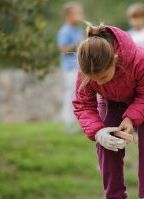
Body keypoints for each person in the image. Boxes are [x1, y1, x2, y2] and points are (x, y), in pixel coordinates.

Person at [73, 23, 144, 199]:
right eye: (95, 80)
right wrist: (98, 132)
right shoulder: (87, 71)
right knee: (107, 142)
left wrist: (131, 117)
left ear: (115, 59)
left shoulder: (141, 60)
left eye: (104, 76)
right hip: (111, 101)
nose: (101, 83)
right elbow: (83, 104)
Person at [57, 2, 83, 133]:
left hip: (79, 68)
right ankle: (68, 124)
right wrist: (77, 45)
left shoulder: (78, 30)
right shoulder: (65, 31)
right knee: (71, 96)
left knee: (81, 96)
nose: (80, 16)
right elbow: (62, 49)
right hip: (70, 69)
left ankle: (82, 124)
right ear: (68, 16)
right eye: (77, 14)